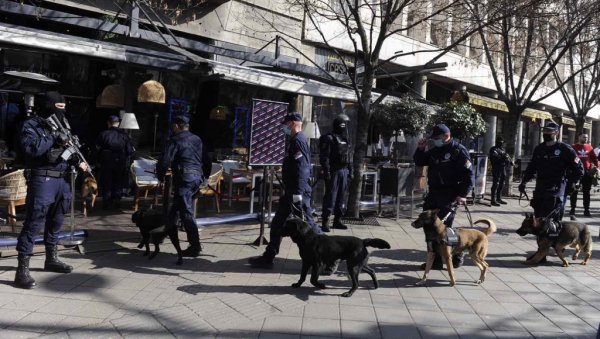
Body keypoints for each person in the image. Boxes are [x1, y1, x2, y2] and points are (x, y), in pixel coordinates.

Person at [14, 91, 89, 289]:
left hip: (63, 180)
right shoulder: (30, 125)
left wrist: (76, 157)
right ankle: (22, 269)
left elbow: (67, 149)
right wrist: (54, 136)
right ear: (47, 106)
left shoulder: (64, 123)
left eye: (63, 108)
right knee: (34, 222)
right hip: (42, 178)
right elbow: (32, 150)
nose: (61, 111)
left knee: (56, 221)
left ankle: (51, 258)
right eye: (57, 107)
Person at [249, 112, 323, 268]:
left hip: (297, 192)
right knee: (277, 224)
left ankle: (328, 254)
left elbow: (302, 169)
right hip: (291, 192)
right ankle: (269, 257)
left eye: (286, 124)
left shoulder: (299, 141)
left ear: (295, 124)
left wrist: (298, 193)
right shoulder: (295, 140)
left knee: (309, 226)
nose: (284, 127)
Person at [413, 124, 474, 270]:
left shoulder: (458, 151)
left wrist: (462, 195)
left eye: (436, 138)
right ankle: (435, 260)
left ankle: (457, 254)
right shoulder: (436, 150)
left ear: (446, 136)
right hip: (433, 193)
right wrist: (421, 149)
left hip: (450, 194)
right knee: (429, 228)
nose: (434, 141)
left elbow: (469, 175)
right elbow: (420, 161)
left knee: (445, 230)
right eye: (433, 139)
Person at [156, 115, 209, 257]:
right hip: (196, 178)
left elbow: (165, 160)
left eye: (173, 125)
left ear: (177, 126)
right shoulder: (197, 139)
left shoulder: (174, 140)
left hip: (185, 179)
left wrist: (160, 176)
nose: (172, 128)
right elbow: (206, 159)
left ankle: (195, 246)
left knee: (186, 212)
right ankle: (161, 236)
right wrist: (206, 178)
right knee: (175, 209)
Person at [518, 122, 583, 235]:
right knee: (539, 219)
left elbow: (579, 169)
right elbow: (532, 167)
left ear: (556, 133)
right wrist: (524, 182)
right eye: (545, 131)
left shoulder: (565, 149)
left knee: (553, 219)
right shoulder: (539, 149)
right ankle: (542, 247)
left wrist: (572, 184)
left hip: (557, 188)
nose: (546, 133)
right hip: (541, 187)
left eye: (549, 131)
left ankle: (557, 246)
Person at [319, 114, 353, 232]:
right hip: (333, 171)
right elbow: (325, 157)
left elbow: (349, 156)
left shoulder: (345, 139)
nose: (344, 127)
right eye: (342, 125)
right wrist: (326, 170)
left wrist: (351, 170)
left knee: (341, 197)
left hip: (343, 170)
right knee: (330, 197)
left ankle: (337, 220)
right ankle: (325, 221)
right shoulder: (328, 138)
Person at [95, 115, 133, 210]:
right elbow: (129, 150)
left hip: (106, 161)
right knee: (118, 181)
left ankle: (106, 202)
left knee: (106, 181)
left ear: (108, 123)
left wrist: (97, 161)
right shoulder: (124, 135)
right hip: (120, 161)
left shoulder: (103, 134)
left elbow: (96, 149)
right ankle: (116, 201)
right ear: (118, 124)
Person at [569, 133, 597, 218]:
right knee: (574, 192)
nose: (586, 138)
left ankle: (586, 210)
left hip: (587, 174)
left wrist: (597, 167)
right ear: (579, 137)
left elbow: (594, 158)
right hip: (576, 174)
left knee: (586, 192)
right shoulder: (573, 147)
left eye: (587, 137)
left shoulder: (589, 147)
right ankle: (573, 209)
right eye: (584, 137)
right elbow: (569, 159)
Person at [488, 136, 512, 206]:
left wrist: (508, 160)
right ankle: (493, 200)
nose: (501, 143)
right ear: (497, 142)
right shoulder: (493, 149)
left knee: (501, 183)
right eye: (500, 142)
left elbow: (506, 157)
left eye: (502, 142)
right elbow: (494, 159)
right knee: (496, 184)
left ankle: (499, 198)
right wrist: (503, 158)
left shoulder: (502, 149)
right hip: (496, 168)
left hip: (502, 168)